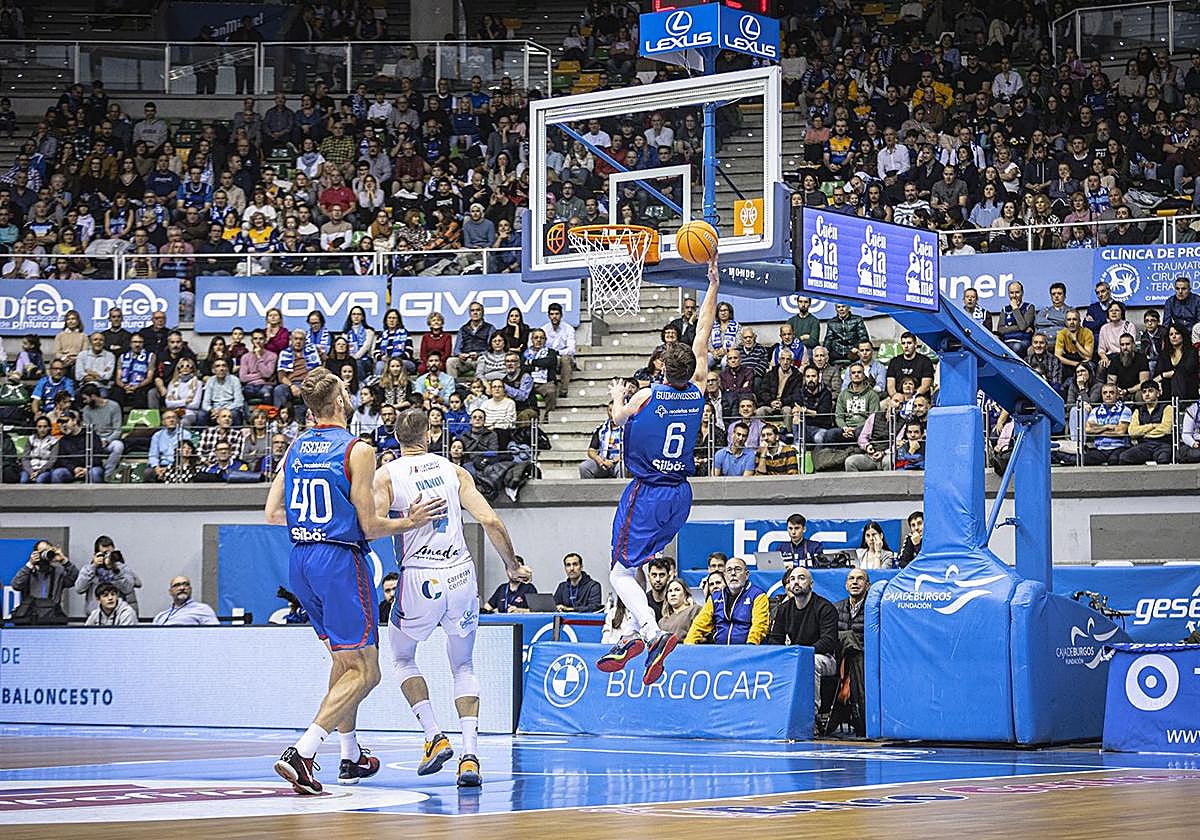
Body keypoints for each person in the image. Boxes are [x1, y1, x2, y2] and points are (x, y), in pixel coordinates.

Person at [266, 369, 447, 795]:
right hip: (339, 562)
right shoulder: (358, 449)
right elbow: (367, 527)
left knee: (343, 663)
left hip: (300, 560)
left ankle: (349, 755)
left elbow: (272, 513)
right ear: (339, 402)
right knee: (367, 672)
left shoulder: (294, 448)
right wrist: (411, 520)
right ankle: (303, 751)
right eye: (346, 391)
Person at [375, 407, 526, 787]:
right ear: (431, 433)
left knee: (402, 657)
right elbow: (490, 520)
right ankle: (470, 757)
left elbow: (373, 528)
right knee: (463, 666)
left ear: (396, 436)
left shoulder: (386, 475)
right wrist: (512, 566)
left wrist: (407, 520)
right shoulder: (453, 470)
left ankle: (433, 735)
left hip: (419, 577)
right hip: (460, 574)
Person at [595, 256, 720, 684]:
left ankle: (649, 631)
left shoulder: (646, 394)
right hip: (682, 495)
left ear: (662, 369)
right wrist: (713, 284)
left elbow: (616, 420)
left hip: (647, 492)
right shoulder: (699, 390)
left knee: (619, 570)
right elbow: (703, 334)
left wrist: (615, 394)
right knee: (645, 561)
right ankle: (630, 632)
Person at [765, 566, 839, 732]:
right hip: (794, 656)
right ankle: (775, 717)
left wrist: (801, 654)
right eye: (792, 579)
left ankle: (809, 718)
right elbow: (775, 638)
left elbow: (828, 641)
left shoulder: (825, 608)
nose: (796, 582)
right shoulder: (784, 609)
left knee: (810, 663)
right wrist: (787, 655)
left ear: (811, 583)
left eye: (801, 578)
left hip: (823, 658)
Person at [683, 556, 769, 645]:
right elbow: (699, 624)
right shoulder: (715, 597)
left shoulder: (758, 595)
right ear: (725, 575)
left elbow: (760, 625)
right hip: (721, 651)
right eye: (729, 570)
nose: (733, 573)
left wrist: (750, 645)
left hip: (747, 650)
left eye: (738, 569)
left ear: (746, 575)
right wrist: (688, 644)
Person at [834, 568, 870, 736]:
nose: (855, 582)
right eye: (851, 579)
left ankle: (861, 719)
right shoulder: (836, 608)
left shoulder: (873, 608)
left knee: (858, 658)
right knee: (847, 640)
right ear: (846, 585)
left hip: (867, 659)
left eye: (860, 579)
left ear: (868, 585)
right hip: (841, 657)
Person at [9, 540, 77, 625]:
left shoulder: (58, 571)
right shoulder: (28, 571)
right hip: (30, 618)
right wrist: (30, 564)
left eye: (47, 551)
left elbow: (73, 580)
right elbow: (16, 585)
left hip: (52, 617)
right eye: (42, 552)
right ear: (35, 553)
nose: (45, 555)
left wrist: (64, 561)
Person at [1119, 380, 1174, 465]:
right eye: (1144, 392)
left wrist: (1143, 433)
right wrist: (1153, 426)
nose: (1147, 394)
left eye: (1150, 391)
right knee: (1124, 457)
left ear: (1158, 393)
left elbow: (1166, 429)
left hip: (1162, 444)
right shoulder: (1138, 411)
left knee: (1164, 458)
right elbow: (1132, 432)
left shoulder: (1167, 408)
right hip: (1144, 445)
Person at [152, 576, 218, 625]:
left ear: (190, 589)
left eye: (186, 584)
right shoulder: (160, 616)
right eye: (177, 585)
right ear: (170, 592)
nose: (182, 588)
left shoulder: (203, 609)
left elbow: (215, 633)